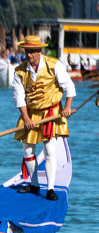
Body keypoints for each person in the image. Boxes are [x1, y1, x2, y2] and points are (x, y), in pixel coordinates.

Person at [13, 36, 75, 201]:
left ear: (39, 51)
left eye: (32, 51)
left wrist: (67, 107)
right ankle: (34, 185)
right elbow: (18, 97)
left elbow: (69, 87)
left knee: (49, 150)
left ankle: (50, 189)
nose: (29, 55)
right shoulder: (19, 70)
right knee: (27, 150)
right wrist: (26, 118)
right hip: (31, 113)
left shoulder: (53, 65)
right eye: (27, 51)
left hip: (50, 113)